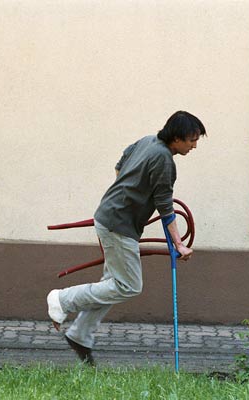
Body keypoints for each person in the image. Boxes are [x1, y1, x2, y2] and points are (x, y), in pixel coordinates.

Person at [47, 110, 206, 365]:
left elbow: (122, 160)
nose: (195, 145)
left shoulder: (147, 141)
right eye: (192, 140)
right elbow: (165, 205)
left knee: (111, 283)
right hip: (118, 225)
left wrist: (123, 191)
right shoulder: (164, 159)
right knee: (129, 285)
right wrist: (179, 244)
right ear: (177, 137)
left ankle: (80, 335)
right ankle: (62, 299)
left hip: (111, 217)